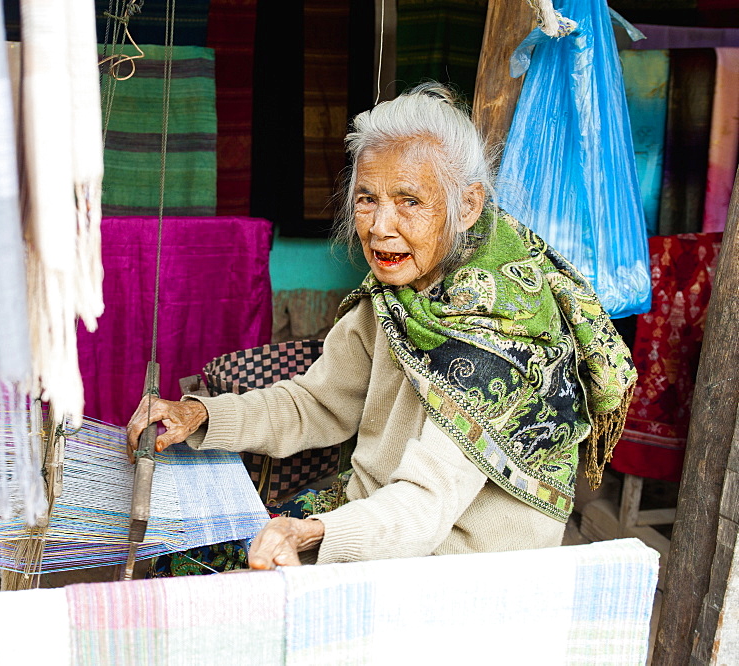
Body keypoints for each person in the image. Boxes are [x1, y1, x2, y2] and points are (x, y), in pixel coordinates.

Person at [127, 83, 636, 571]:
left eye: (409, 201)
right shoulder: (397, 293)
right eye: (367, 198)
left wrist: (315, 534)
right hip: (379, 509)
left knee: (229, 588)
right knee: (187, 559)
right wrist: (199, 415)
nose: (378, 226)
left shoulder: (501, 335)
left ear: (468, 206)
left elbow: (424, 507)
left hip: (457, 562)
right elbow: (319, 403)